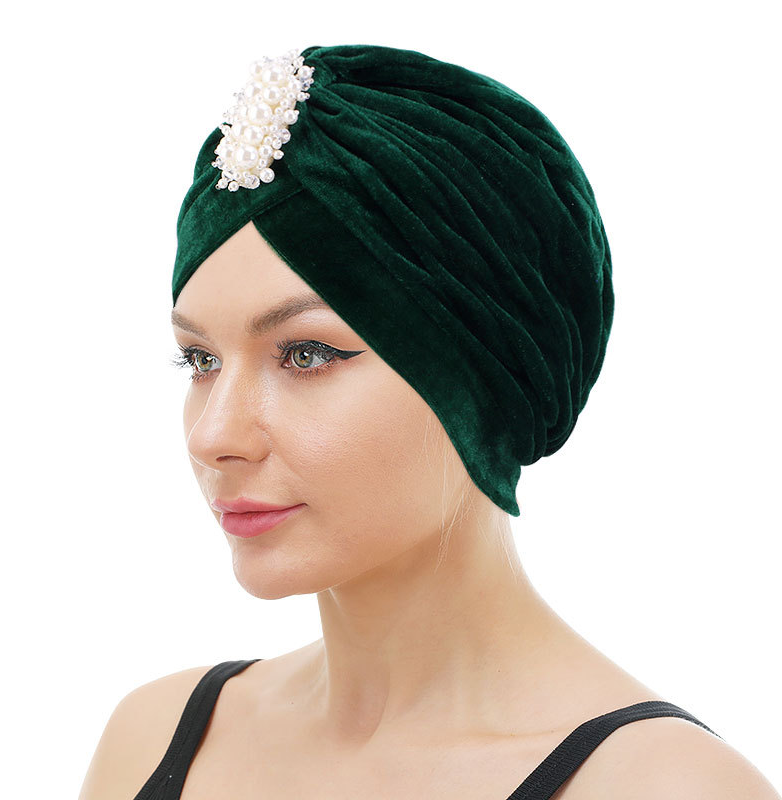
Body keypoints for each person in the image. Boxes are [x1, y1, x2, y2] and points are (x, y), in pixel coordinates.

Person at [79, 44, 780, 799]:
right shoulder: (153, 737)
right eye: (200, 360)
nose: (214, 437)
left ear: (486, 373)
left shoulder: (661, 788)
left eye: (306, 354)